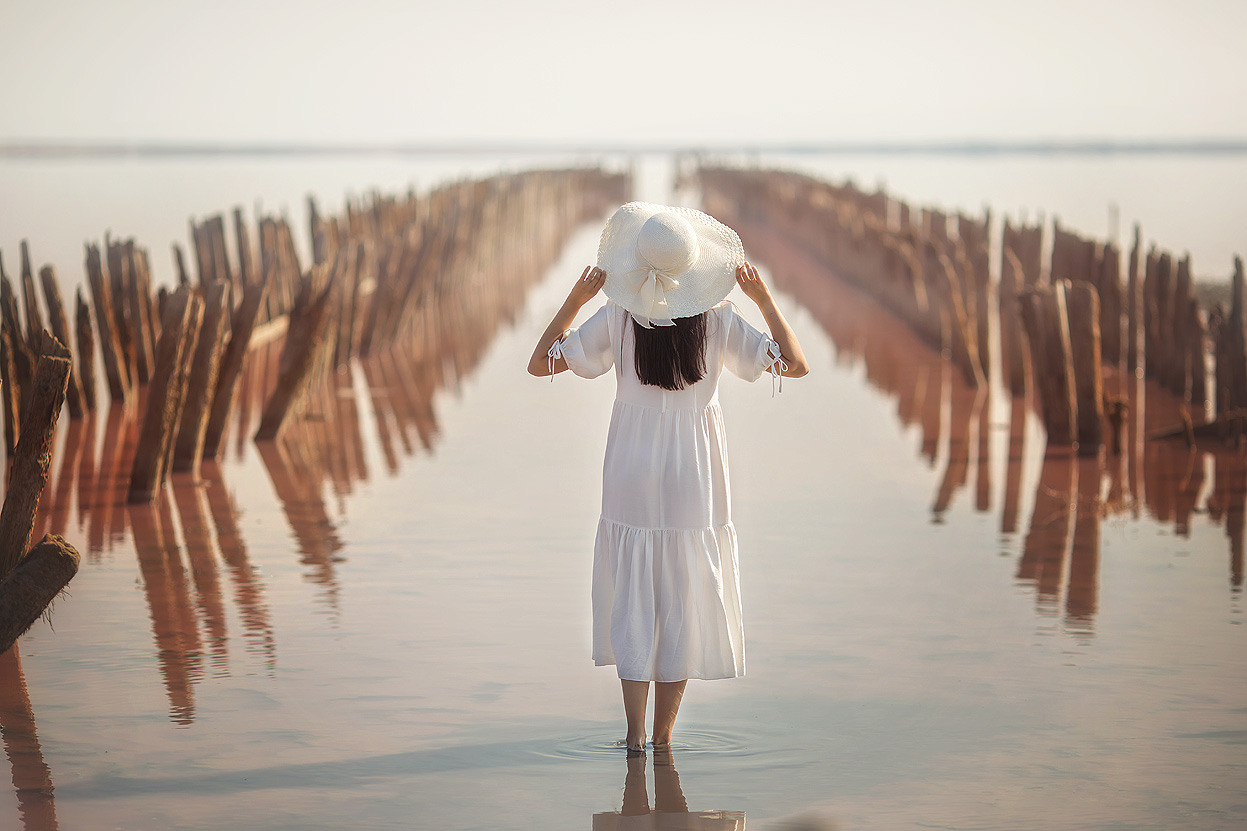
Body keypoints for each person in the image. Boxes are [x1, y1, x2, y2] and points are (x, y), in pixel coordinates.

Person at [527, 202, 808, 753]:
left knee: (634, 592)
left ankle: (633, 736)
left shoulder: (617, 317)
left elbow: (541, 364)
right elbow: (793, 365)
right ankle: (663, 739)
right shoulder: (719, 319)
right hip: (693, 469)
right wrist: (764, 299)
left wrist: (576, 299)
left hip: (631, 466)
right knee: (681, 591)